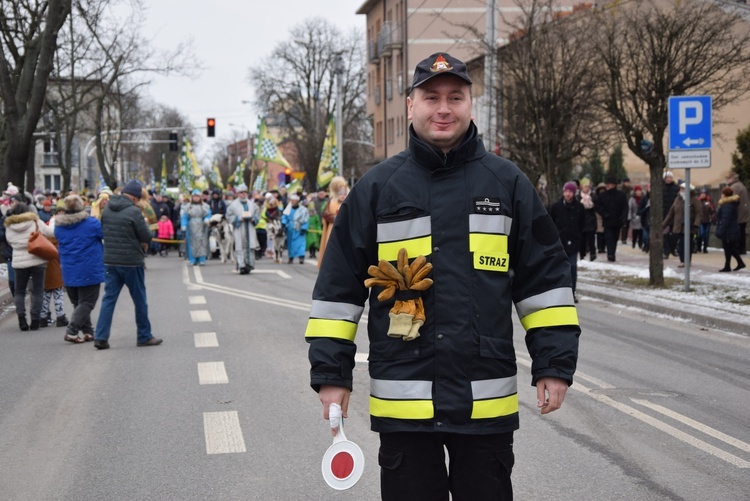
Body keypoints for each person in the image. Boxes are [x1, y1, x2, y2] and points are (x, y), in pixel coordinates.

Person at [305, 52, 580, 501]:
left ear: (471, 103)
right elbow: (337, 292)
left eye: (455, 96)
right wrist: (331, 374)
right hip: (404, 399)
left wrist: (553, 365)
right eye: (431, 97)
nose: (444, 108)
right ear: (411, 105)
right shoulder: (377, 189)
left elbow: (545, 282)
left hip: (483, 398)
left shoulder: (507, 184)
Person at [93, 180, 162, 349]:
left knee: (108, 300)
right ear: (134, 197)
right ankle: (144, 336)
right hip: (131, 261)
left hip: (110, 260)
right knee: (139, 300)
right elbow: (146, 236)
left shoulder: (107, 209)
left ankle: (101, 337)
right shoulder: (134, 211)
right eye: (138, 199)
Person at [54, 194, 104, 344]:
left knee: (79, 303)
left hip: (68, 269)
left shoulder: (59, 226)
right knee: (87, 302)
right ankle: (72, 331)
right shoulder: (91, 223)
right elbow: (103, 233)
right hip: (89, 268)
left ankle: (88, 331)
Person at [4, 200, 56, 331]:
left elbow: (10, 242)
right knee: (38, 291)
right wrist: (54, 222)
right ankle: (35, 320)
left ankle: (21, 319)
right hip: (37, 260)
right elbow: (50, 232)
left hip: (19, 262)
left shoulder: (9, 226)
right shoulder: (35, 222)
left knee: (19, 291)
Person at [550, 181, 585, 303]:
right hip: (559, 243)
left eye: (570, 192)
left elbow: (582, 226)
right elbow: (550, 224)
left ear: (574, 193)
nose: (568, 194)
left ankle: (571, 292)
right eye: (566, 191)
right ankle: (558, 292)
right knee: (558, 269)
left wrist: (582, 245)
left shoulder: (579, 208)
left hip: (574, 243)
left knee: (572, 268)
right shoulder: (556, 207)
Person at [663, 182, 701, 268]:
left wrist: (696, 224)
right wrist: (664, 223)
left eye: (683, 189)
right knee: (680, 245)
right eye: (681, 189)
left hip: (690, 226)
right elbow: (671, 213)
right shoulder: (678, 199)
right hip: (678, 226)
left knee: (687, 244)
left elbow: (699, 213)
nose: (681, 190)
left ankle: (686, 261)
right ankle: (683, 260)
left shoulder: (694, 199)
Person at [226, 184, 260, 274]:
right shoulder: (233, 205)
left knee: (250, 245)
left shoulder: (252, 204)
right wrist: (238, 218)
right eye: (241, 193)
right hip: (239, 228)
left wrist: (254, 219)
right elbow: (228, 216)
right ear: (237, 194)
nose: (243, 194)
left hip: (250, 227)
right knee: (240, 246)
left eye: (245, 192)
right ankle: (242, 266)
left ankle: (249, 265)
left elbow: (257, 214)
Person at [317, 176, 349, 268]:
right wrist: (335, 218)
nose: (342, 195)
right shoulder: (331, 202)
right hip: (332, 228)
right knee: (331, 246)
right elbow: (326, 214)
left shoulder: (348, 202)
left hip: (345, 228)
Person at [595, 177, 628, 262]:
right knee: (609, 237)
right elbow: (598, 206)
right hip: (607, 220)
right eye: (608, 184)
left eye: (610, 184)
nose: (609, 186)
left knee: (615, 237)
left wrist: (623, 217)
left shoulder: (621, 195)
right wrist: (604, 214)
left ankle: (612, 252)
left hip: (617, 220)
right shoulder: (603, 195)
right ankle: (610, 254)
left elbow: (625, 207)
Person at [715, 186, 745, 272]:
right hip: (731, 230)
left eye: (722, 193)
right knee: (729, 248)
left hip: (728, 231)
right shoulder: (730, 204)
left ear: (724, 195)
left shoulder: (727, 206)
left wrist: (720, 231)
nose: (721, 195)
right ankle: (733, 264)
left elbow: (725, 219)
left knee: (729, 248)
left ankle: (735, 264)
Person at [181, 189, 212, 266]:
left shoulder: (205, 206)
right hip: (191, 226)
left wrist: (207, 219)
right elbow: (184, 216)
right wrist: (184, 225)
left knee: (202, 242)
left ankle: (202, 259)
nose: (196, 198)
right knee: (192, 242)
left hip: (202, 226)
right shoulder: (188, 207)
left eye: (197, 197)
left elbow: (208, 214)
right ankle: (193, 259)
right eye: (194, 197)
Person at [725, 172, 748, 255]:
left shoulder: (735, 187)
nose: (727, 180)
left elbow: (731, 200)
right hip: (743, 213)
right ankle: (742, 249)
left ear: (732, 178)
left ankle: (738, 249)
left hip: (738, 213)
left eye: (728, 178)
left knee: (738, 232)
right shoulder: (740, 185)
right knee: (742, 231)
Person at [281, 193, 308, 264]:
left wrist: (304, 228)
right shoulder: (288, 209)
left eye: (294, 200)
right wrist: (283, 224)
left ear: (297, 201)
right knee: (290, 244)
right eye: (291, 200)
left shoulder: (303, 210)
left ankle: (301, 257)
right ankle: (291, 257)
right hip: (290, 228)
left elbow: (306, 219)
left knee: (301, 243)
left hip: (299, 228)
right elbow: (285, 217)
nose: (292, 202)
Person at [577, 177, 597, 261]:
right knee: (582, 239)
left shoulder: (592, 196)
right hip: (581, 220)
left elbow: (596, 206)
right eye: (585, 186)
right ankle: (582, 255)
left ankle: (593, 254)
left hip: (591, 220)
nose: (587, 188)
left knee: (591, 239)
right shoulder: (578, 197)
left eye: (588, 187)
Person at [662, 171, 680, 257]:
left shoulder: (676, 188)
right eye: (667, 177)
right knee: (665, 234)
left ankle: (673, 248)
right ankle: (666, 251)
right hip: (664, 215)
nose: (668, 179)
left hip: (674, 215)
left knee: (674, 234)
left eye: (670, 177)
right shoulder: (661, 188)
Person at [628, 185, 644, 249]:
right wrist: (630, 217)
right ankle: (633, 243)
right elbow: (630, 208)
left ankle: (640, 243)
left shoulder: (643, 198)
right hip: (634, 217)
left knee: (641, 232)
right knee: (635, 232)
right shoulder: (632, 199)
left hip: (641, 217)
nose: (638, 192)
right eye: (637, 191)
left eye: (639, 191)